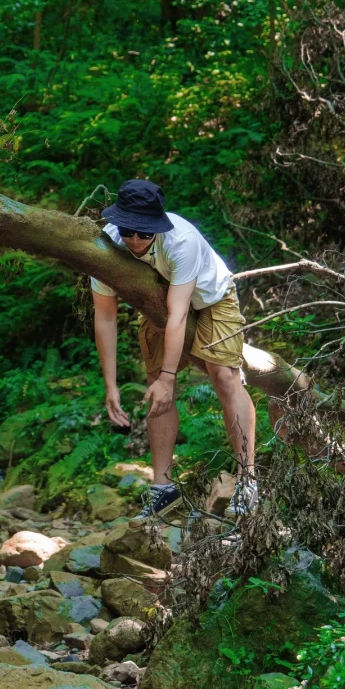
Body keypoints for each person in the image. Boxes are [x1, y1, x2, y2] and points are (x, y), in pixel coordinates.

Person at [90, 177, 257, 519]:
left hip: (211, 300)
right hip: (157, 299)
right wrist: (111, 385)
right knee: (154, 386)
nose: (134, 239)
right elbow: (105, 317)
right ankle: (163, 488)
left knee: (224, 377)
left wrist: (170, 377)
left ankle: (247, 480)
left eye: (143, 233)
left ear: (156, 228)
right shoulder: (105, 246)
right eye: (128, 231)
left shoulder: (181, 241)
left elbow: (179, 316)